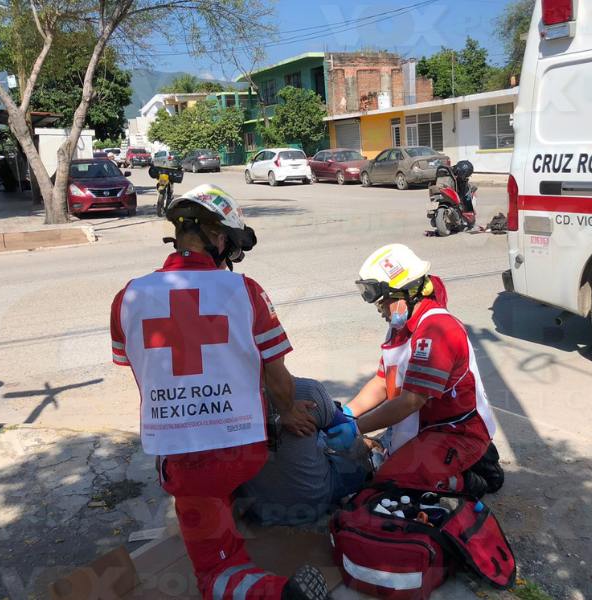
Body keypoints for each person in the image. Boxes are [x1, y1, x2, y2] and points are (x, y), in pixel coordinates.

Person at [109, 184, 329, 600]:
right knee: (222, 491)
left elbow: (138, 368)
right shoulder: (245, 291)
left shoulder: (128, 296)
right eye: (230, 242)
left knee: (212, 569)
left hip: (184, 458)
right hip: (246, 450)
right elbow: (277, 376)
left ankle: (269, 589)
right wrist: (285, 413)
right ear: (218, 236)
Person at [328, 243, 504, 496]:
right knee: (376, 470)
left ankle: (469, 481)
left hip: (456, 431)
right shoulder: (401, 326)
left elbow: (411, 401)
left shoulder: (438, 331)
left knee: (393, 485)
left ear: (407, 294)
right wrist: (347, 413)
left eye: (383, 303)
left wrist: (356, 428)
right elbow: (381, 382)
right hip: (421, 426)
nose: (379, 311)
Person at [239, 378, 371, 526]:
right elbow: (347, 437)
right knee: (355, 452)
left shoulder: (224, 401)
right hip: (314, 501)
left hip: (258, 504)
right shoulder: (307, 390)